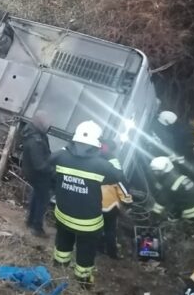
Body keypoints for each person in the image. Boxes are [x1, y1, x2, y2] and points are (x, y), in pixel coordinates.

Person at [50, 120, 124, 287]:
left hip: (62, 215)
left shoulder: (61, 155)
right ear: (97, 142)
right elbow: (119, 176)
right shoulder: (101, 164)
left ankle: (58, 268)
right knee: (85, 253)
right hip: (88, 224)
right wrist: (110, 157)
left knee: (62, 244)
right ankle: (82, 282)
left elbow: (48, 166)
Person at [21, 111, 54, 237]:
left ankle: (30, 221)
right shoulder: (36, 140)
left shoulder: (35, 134)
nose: (48, 125)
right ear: (40, 122)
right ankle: (36, 227)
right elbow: (40, 164)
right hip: (38, 174)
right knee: (43, 199)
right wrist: (53, 170)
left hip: (33, 172)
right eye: (46, 122)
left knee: (37, 196)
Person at [99, 140, 132, 259]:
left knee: (96, 225)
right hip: (108, 202)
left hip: (93, 200)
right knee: (110, 228)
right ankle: (112, 253)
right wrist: (128, 200)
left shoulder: (93, 158)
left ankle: (98, 248)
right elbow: (120, 181)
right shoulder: (113, 162)